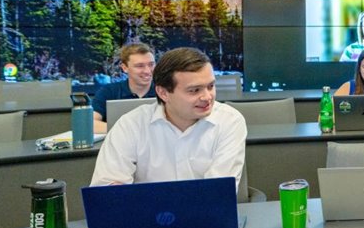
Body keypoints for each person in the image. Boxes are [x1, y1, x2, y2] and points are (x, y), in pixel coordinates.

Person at [90, 47, 247, 189]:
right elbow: (107, 189)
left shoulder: (229, 121)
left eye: (211, 86)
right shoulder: (131, 125)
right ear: (163, 93)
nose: (207, 97)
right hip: (146, 219)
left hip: (207, 218)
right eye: (194, 90)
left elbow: (218, 191)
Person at [91, 43, 157, 134]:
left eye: (151, 65)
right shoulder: (109, 91)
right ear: (125, 68)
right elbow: (90, 124)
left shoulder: (167, 91)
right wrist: (128, 131)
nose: (147, 71)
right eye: (140, 66)